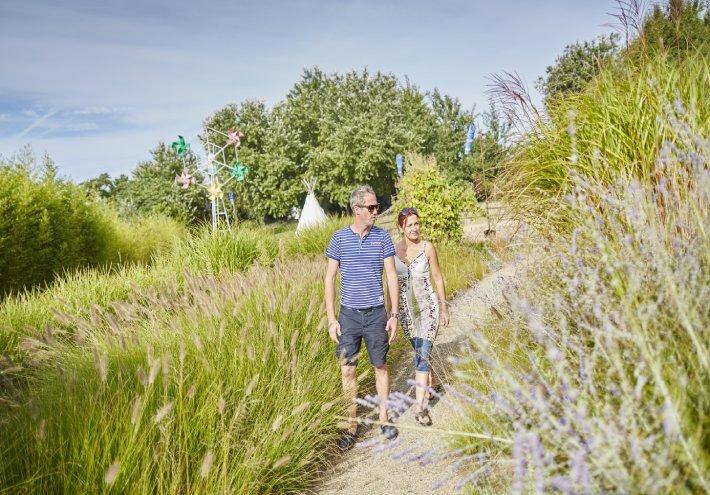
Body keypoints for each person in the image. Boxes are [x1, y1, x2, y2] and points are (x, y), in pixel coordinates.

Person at [324, 185, 400, 451]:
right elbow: (330, 278)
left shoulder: (383, 238)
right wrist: (332, 318)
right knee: (347, 369)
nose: (376, 211)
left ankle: (384, 419)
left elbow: (391, 275)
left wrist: (394, 315)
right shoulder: (339, 239)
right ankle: (351, 426)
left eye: (376, 207)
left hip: (376, 314)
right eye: (371, 207)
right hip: (349, 317)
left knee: (380, 366)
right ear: (356, 209)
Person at [394, 207, 450, 426]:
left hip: (429, 310)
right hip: (407, 313)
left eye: (417, 223)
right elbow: (391, 285)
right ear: (401, 228)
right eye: (410, 225)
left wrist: (444, 307)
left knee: (421, 354)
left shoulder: (428, 248)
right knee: (421, 352)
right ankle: (433, 381)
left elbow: (438, 277)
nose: (415, 228)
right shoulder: (393, 251)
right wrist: (392, 314)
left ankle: (420, 408)